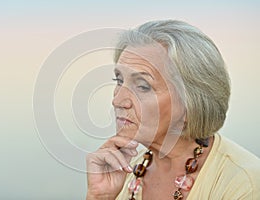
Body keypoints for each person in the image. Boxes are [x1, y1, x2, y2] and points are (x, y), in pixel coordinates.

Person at [86, 20, 260, 200]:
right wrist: (100, 196)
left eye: (143, 86)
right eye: (119, 81)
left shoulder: (244, 184)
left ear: (190, 103)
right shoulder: (126, 173)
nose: (117, 100)